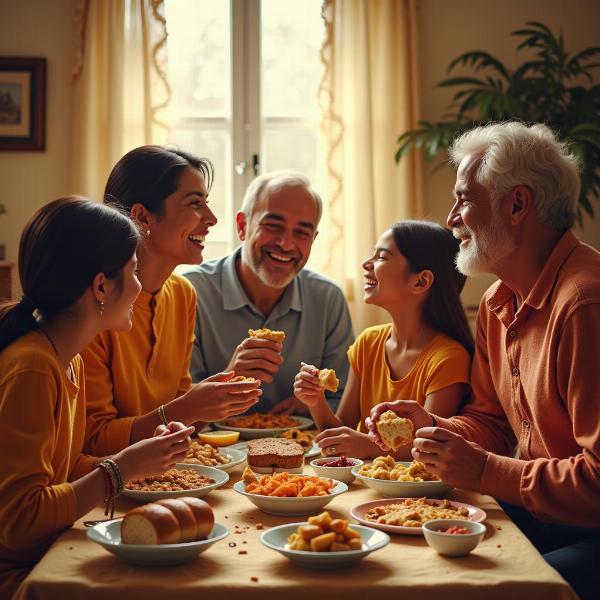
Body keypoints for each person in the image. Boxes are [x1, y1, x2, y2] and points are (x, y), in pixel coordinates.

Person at [367, 122, 600, 600]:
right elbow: (491, 424)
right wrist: (432, 428)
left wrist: (487, 473)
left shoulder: (585, 304)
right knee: (403, 554)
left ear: (517, 205)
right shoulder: (497, 300)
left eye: (464, 199)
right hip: (544, 513)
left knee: (495, 590)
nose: (452, 218)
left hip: (592, 530)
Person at [0, 198, 195, 598]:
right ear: (101, 286)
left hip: (51, 551)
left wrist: (145, 457)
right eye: (134, 271)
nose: (140, 287)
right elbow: (18, 522)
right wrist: (121, 468)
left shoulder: (66, 357)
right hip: (25, 574)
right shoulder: (33, 368)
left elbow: (64, 470)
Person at [83, 146, 261, 456]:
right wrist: (190, 407)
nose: (213, 218)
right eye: (195, 204)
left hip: (166, 474)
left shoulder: (182, 294)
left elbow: (181, 423)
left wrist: (213, 397)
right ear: (142, 217)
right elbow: (92, 441)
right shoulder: (93, 300)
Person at [294, 220, 473, 458]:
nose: (366, 264)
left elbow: (431, 445)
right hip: (369, 484)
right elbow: (341, 436)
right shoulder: (368, 343)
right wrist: (315, 401)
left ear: (420, 281)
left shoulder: (448, 358)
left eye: (382, 257)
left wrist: (369, 446)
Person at [183, 170, 354, 415]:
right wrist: (230, 379)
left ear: (313, 239)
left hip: (304, 448)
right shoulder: (191, 292)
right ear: (243, 226)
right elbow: (176, 405)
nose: (285, 244)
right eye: (273, 226)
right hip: (212, 450)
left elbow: (343, 399)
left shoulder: (328, 300)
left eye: (302, 232)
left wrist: (315, 406)